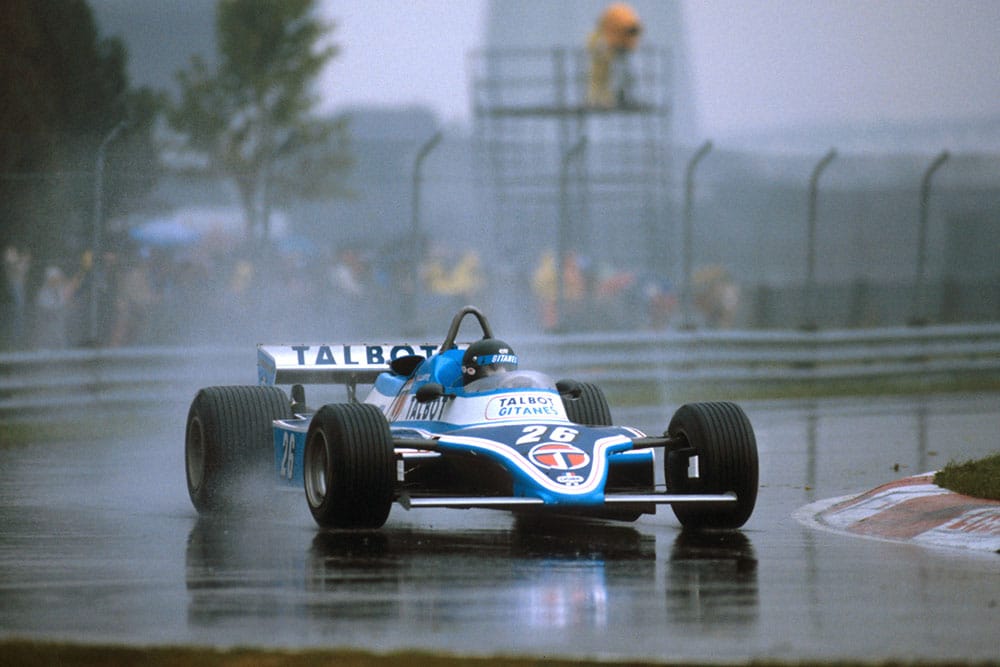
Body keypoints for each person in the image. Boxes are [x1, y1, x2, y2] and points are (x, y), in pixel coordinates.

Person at [587, 2, 642, 108]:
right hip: (608, 52)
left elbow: (629, 41)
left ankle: (615, 97)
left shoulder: (624, 20)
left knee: (618, 75)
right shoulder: (619, 20)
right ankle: (600, 99)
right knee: (602, 77)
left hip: (613, 50)